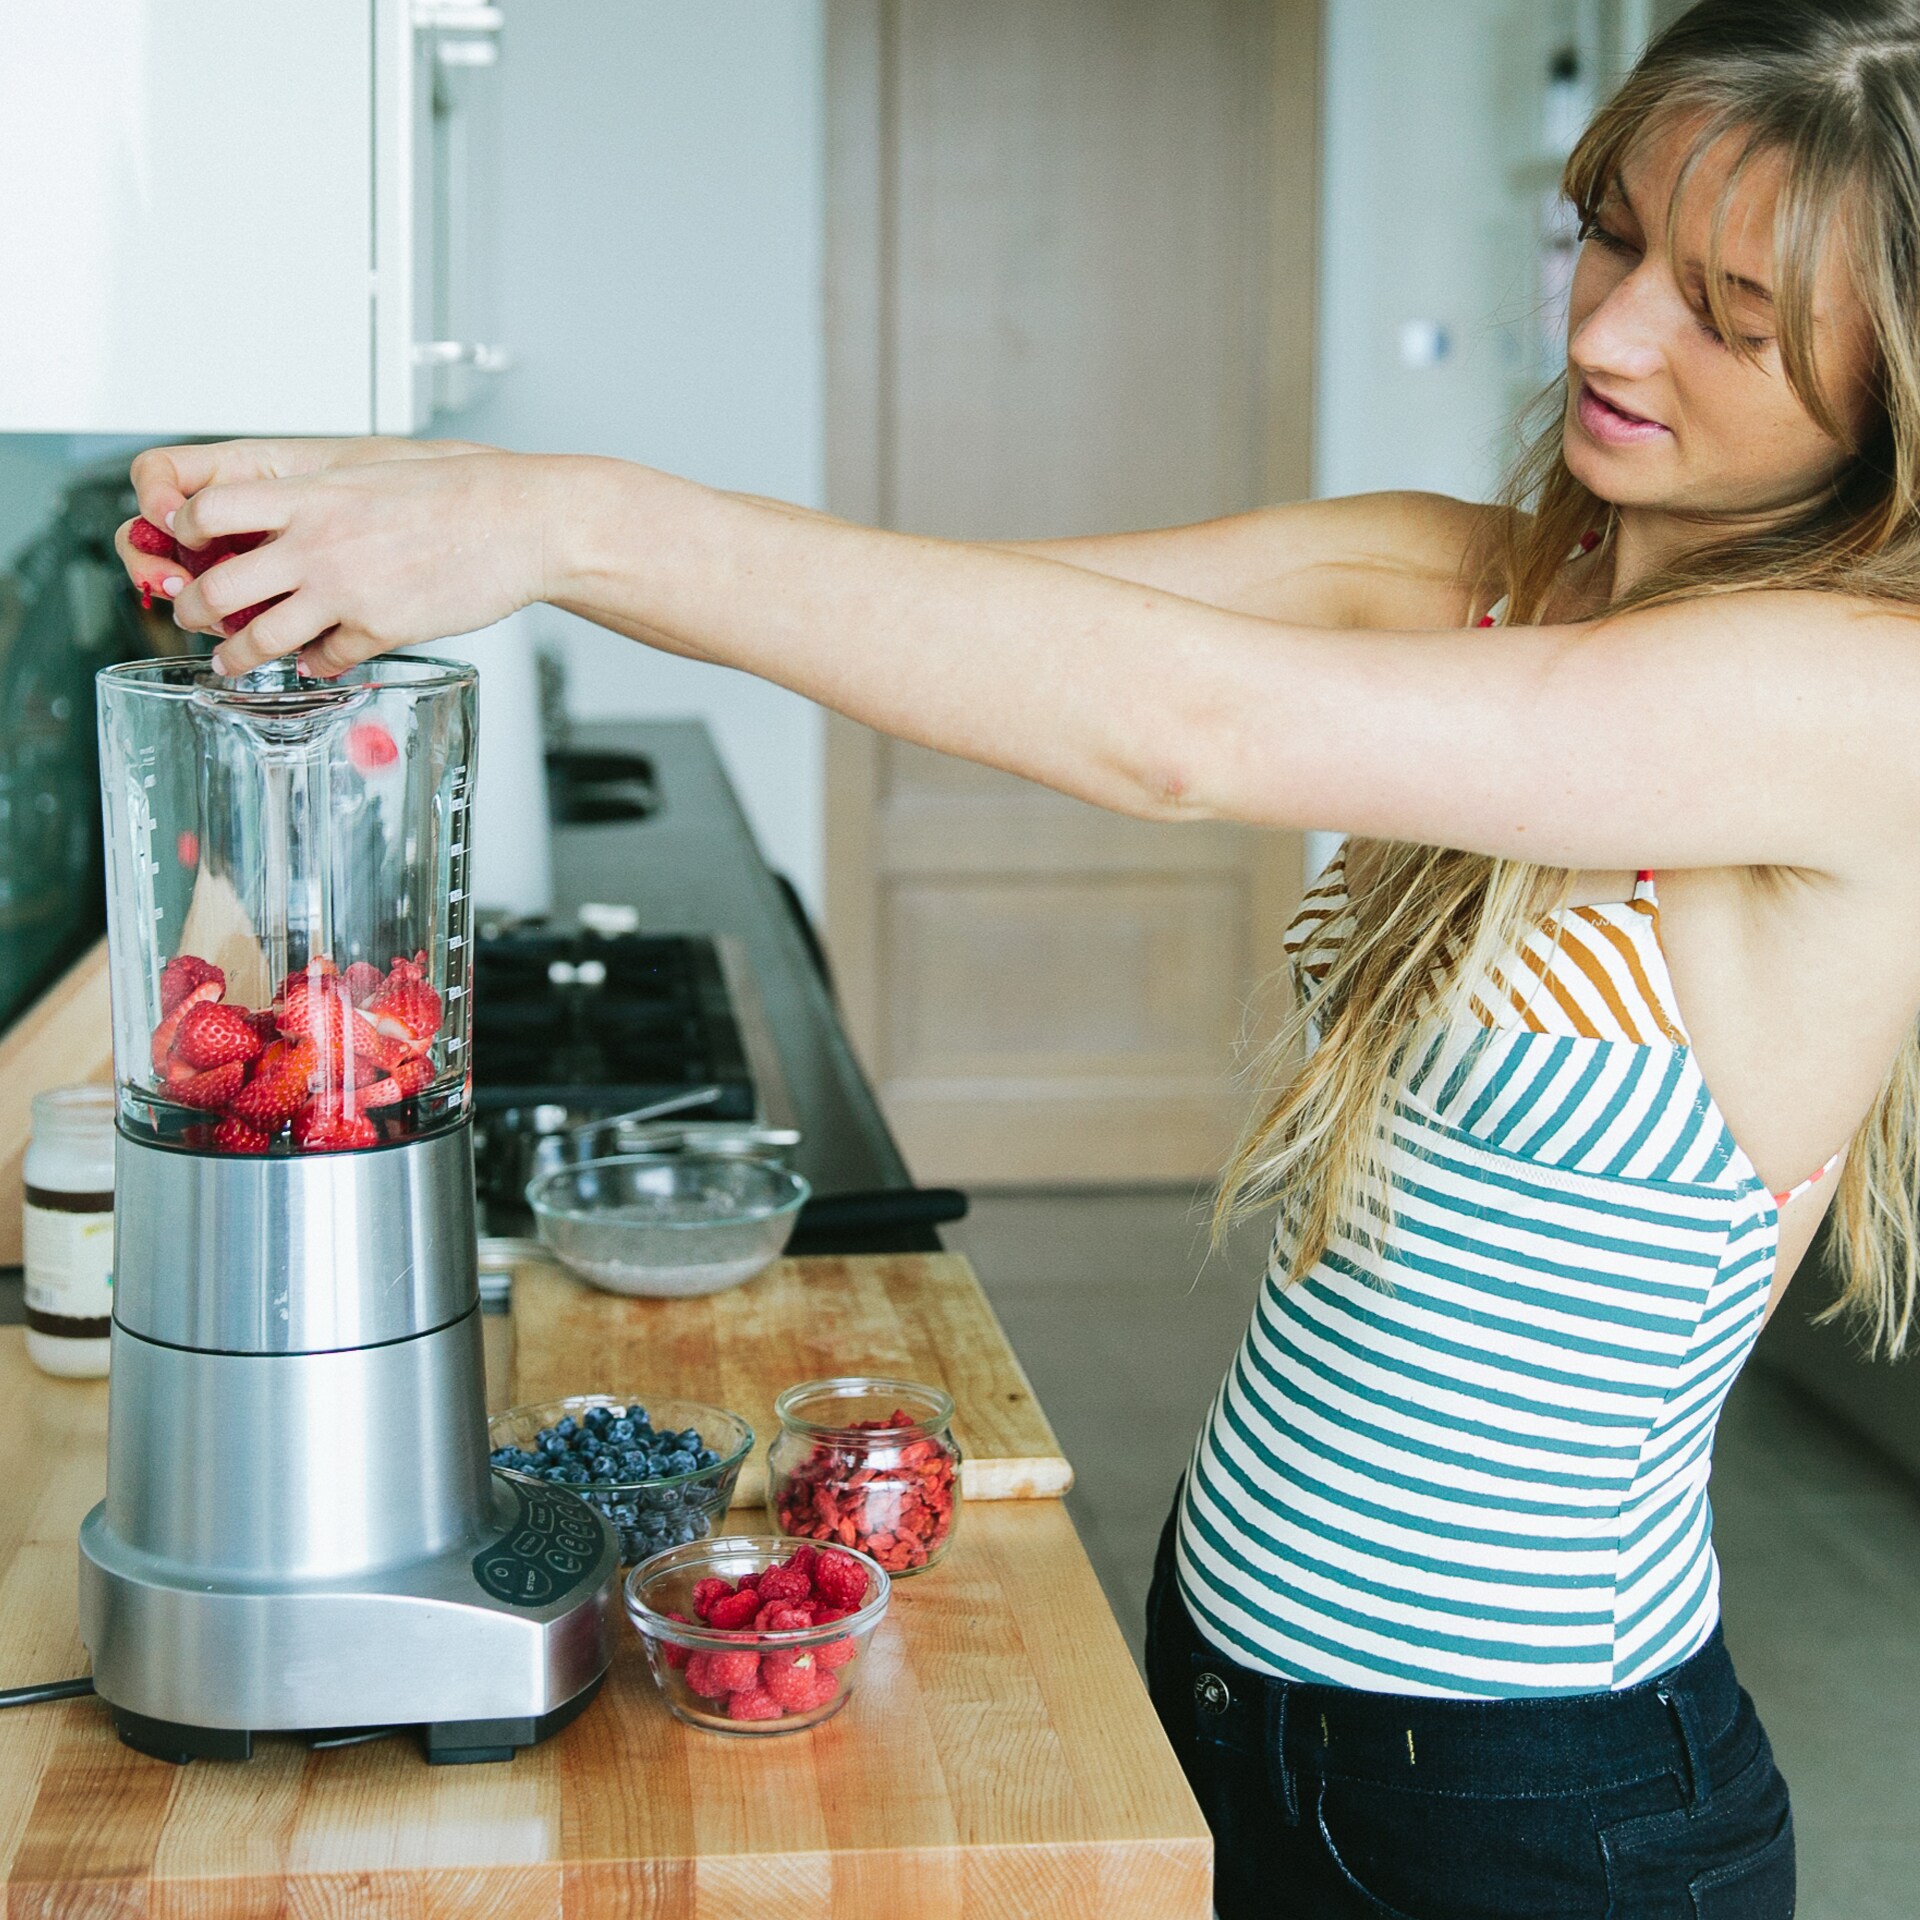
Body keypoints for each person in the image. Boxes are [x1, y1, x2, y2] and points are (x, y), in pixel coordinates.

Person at [116, 1, 1920, 1910]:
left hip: (1536, 1802)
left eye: (1733, 319)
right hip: (1235, 1675)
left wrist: (562, 517)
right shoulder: (1476, 576)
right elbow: (1013, 625)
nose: (1610, 328)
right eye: (1615, 230)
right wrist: (367, 519)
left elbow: (1175, 730)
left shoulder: (1856, 706)